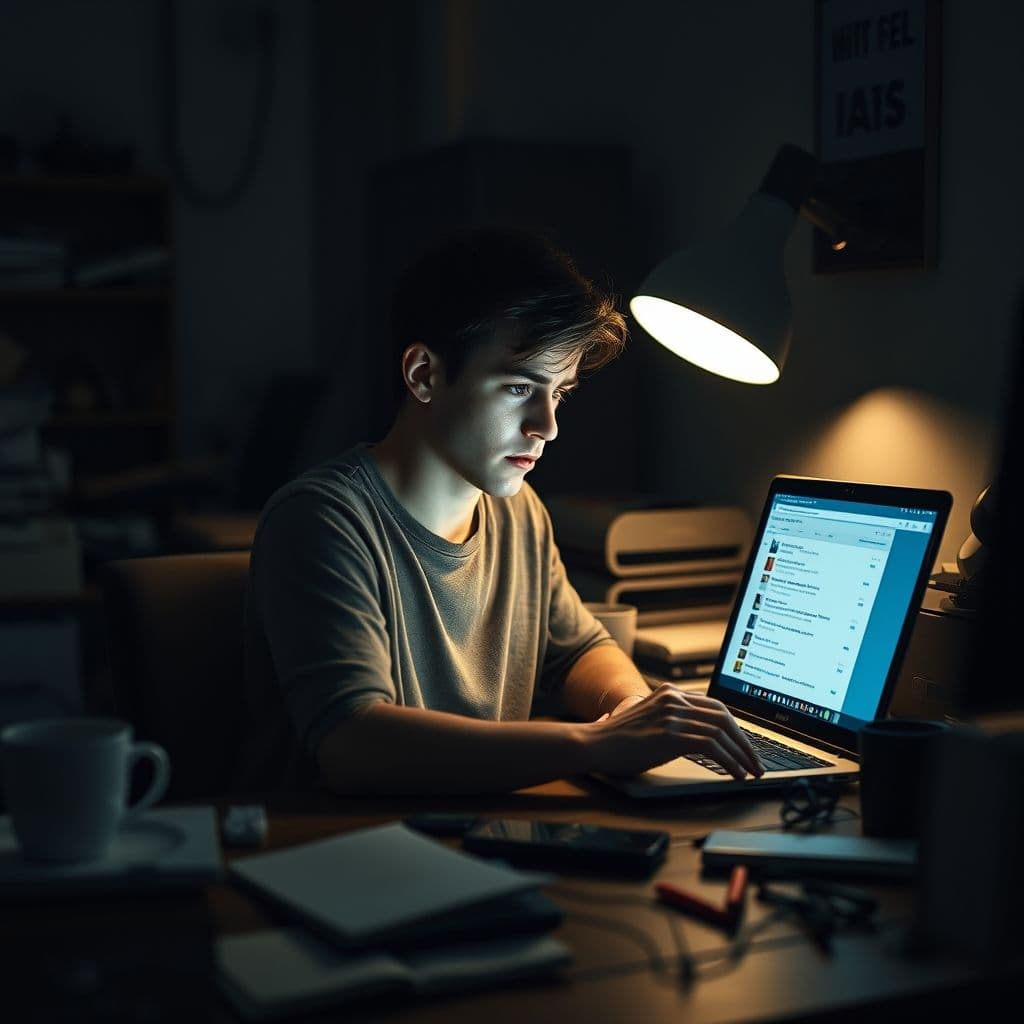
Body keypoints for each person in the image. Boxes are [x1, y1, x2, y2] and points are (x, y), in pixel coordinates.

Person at [238, 227, 763, 794]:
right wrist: (596, 745)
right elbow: (352, 741)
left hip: (476, 835)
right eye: (519, 388)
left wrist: (633, 711)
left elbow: (579, 649)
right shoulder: (322, 520)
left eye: (559, 392)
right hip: (335, 850)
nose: (548, 427)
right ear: (424, 375)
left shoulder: (520, 514)